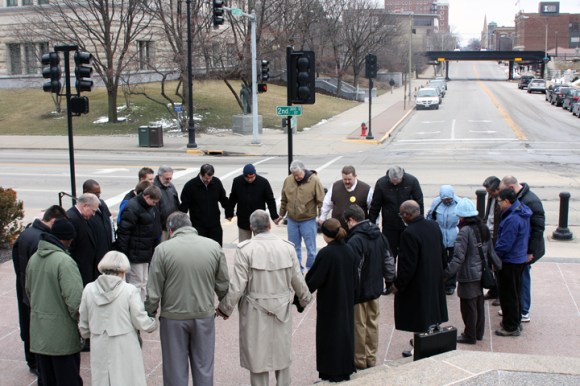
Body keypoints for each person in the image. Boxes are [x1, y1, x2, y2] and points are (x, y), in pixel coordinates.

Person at [217, 209, 312, 386]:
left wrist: (225, 308)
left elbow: (238, 285)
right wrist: (304, 298)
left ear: (252, 228)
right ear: (269, 225)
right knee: (282, 354)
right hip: (282, 307)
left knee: (257, 356)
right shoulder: (287, 247)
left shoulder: (245, 250)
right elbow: (297, 278)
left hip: (254, 309)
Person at [146, 212, 230, 386]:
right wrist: (225, 307)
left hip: (173, 317)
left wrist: (150, 312)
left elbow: (154, 289)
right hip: (204, 315)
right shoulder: (213, 246)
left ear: (171, 230)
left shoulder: (162, 250)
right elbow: (223, 283)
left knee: (174, 367)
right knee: (204, 366)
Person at [79, 251, 157, 386]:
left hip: (99, 341)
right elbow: (139, 319)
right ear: (122, 271)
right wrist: (152, 324)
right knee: (127, 379)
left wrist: (86, 333)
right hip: (125, 342)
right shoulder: (129, 290)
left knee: (102, 379)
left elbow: (84, 320)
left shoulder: (89, 289)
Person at [26, 218, 84, 386]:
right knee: (68, 380)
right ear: (68, 239)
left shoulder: (34, 258)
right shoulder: (65, 262)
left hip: (40, 334)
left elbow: (29, 291)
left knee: (47, 380)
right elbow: (75, 301)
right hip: (62, 337)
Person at [11, 205, 67, 377]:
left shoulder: (26, 234)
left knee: (28, 323)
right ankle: (36, 361)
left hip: (25, 287)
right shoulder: (41, 240)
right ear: (53, 221)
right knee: (36, 327)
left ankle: (32, 359)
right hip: (36, 291)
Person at [388, 200, 448, 357]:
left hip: (418, 283)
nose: (401, 218)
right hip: (434, 277)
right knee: (432, 313)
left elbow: (407, 265)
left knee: (420, 316)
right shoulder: (433, 225)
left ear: (407, 215)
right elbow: (442, 252)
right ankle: (431, 339)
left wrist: (398, 285)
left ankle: (420, 347)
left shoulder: (409, 233)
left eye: (402, 215)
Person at [344, 204, 395, 369]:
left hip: (360, 292)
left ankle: (359, 360)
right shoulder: (379, 235)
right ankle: (371, 358)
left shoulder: (355, 240)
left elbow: (355, 268)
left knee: (359, 325)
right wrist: (390, 281)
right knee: (372, 323)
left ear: (351, 220)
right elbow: (389, 259)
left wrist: (351, 290)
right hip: (375, 288)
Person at [444, 198, 502, 344]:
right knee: (478, 304)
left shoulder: (464, 232)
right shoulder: (482, 228)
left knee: (468, 306)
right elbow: (490, 251)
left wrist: (445, 275)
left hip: (468, 275)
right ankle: (478, 333)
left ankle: (469, 335)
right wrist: (498, 266)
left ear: (462, 216)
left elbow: (458, 257)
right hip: (480, 272)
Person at [305, 218, 357, 382]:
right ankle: (345, 369)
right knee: (345, 335)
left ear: (327, 235)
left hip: (330, 302)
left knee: (329, 337)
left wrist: (300, 298)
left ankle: (330, 373)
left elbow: (313, 280)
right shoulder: (349, 250)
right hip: (346, 300)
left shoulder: (326, 253)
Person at [500, 176, 545, 323]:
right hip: (521, 248)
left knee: (522, 278)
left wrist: (530, 251)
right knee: (518, 281)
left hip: (524, 250)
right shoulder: (521, 199)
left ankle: (523, 310)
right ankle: (517, 309)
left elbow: (538, 229)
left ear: (511, 189)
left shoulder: (531, 201)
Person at [275, 160, 325, 271]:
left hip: (308, 220)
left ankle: (311, 271)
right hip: (292, 220)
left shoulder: (314, 180)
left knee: (311, 249)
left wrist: (322, 218)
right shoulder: (288, 181)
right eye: (294, 175)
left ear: (304, 170)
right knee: (293, 248)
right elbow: (284, 200)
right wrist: (281, 214)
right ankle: (298, 273)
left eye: (298, 175)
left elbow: (321, 201)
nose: (296, 177)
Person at [494, 188, 531, 337]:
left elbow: (505, 244)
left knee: (508, 294)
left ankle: (510, 326)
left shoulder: (512, 219)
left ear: (507, 201)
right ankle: (515, 321)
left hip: (510, 261)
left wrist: (495, 256)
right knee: (516, 292)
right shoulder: (521, 212)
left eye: (499, 202)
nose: (498, 204)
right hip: (519, 258)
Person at [369, 166, 424, 263]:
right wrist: (371, 224)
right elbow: (375, 205)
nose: (394, 183)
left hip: (408, 225)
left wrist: (420, 223)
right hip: (390, 226)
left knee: (408, 254)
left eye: (397, 181)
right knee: (389, 255)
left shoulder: (412, 181)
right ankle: (391, 277)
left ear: (402, 177)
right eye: (392, 181)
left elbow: (419, 203)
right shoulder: (381, 183)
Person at [116, 185, 162, 301]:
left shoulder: (147, 206)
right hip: (135, 253)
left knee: (143, 282)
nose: (155, 204)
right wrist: (123, 253)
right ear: (146, 197)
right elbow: (124, 232)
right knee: (136, 283)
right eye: (153, 201)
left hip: (144, 252)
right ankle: (135, 308)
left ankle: (141, 307)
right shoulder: (132, 207)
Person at [179, 163, 230, 246]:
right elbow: (184, 205)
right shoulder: (190, 186)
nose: (209, 180)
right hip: (198, 226)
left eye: (210, 178)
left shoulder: (216, 182)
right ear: (201, 174)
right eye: (206, 178)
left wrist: (229, 213)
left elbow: (223, 199)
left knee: (216, 249)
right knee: (200, 251)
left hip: (215, 225)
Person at [227, 163, 279, 242]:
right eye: (247, 178)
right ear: (244, 176)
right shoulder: (237, 181)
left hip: (259, 221)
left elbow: (270, 200)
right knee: (243, 245)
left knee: (260, 244)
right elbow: (232, 199)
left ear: (255, 174)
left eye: (252, 177)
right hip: (244, 219)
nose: (250, 180)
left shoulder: (263, 182)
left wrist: (274, 216)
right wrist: (229, 213)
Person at [426, 185, 460, 295]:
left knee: (452, 261)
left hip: (454, 235)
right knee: (440, 260)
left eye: (449, 199)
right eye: (445, 199)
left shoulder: (458, 203)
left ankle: (450, 285)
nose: (447, 201)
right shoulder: (436, 202)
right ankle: (440, 282)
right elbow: (430, 216)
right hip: (439, 235)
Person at [318, 165, 373, 230]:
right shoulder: (335, 186)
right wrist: (322, 217)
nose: (347, 182)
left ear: (355, 176)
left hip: (358, 230)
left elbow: (372, 208)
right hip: (339, 229)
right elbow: (327, 203)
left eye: (349, 179)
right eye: (345, 179)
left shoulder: (366, 189)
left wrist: (373, 224)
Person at [66, 192, 101, 286]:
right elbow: (71, 248)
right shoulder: (72, 219)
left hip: (87, 269)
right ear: (85, 206)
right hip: (80, 272)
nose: (94, 214)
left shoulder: (82, 218)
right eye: (93, 211)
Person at [83, 179, 115, 270]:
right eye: (95, 193)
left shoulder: (102, 205)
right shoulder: (85, 211)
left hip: (106, 251)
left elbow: (110, 222)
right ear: (86, 192)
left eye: (99, 193)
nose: (98, 196)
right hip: (94, 257)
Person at [482, 176, 501, 303]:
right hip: (489, 234)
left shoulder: (503, 200)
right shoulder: (491, 197)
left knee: (498, 266)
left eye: (490, 191)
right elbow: (488, 214)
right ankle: (493, 290)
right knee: (489, 264)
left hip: (497, 237)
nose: (489, 194)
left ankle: (500, 294)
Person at [154, 165, 180, 240]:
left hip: (172, 227)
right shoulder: (154, 188)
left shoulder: (171, 186)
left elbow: (176, 204)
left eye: (170, 178)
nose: (169, 180)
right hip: (161, 229)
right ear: (160, 176)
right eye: (166, 178)